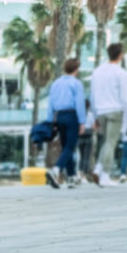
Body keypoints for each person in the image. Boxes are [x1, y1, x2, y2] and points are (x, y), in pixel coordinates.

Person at [91, 43, 127, 186]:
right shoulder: (121, 73)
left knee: (106, 142)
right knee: (110, 142)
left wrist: (95, 115)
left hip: (101, 111)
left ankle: (98, 168)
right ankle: (105, 175)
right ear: (120, 55)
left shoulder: (97, 71)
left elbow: (93, 94)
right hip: (115, 110)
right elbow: (125, 97)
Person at [46, 58, 88, 188]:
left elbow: (50, 103)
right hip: (72, 115)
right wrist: (82, 122)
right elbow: (80, 104)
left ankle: (71, 177)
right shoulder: (76, 84)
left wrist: (49, 121)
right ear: (76, 69)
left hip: (59, 116)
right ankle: (56, 169)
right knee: (70, 146)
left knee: (66, 148)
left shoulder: (56, 83)